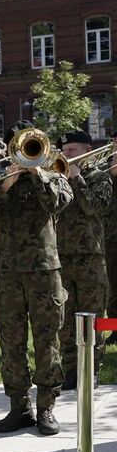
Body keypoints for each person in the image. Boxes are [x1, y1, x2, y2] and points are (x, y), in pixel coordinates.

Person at [0, 120, 72, 436]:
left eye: (28, 146)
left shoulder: (54, 177)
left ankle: (46, 409)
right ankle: (19, 407)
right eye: (18, 147)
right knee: (11, 343)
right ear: (9, 150)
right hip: (7, 275)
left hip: (44, 274)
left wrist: (39, 174)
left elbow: (59, 204)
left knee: (47, 341)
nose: (24, 153)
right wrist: (5, 186)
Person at [55, 130, 111, 389]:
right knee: (67, 318)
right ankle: (71, 369)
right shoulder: (57, 178)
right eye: (64, 150)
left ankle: (93, 367)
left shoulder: (99, 177)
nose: (66, 154)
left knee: (94, 316)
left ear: (87, 149)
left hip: (91, 257)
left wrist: (77, 180)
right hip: (62, 256)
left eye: (72, 150)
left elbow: (94, 207)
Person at [103, 131, 117, 346]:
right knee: (111, 288)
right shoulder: (104, 167)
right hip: (108, 235)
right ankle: (114, 329)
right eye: (114, 142)